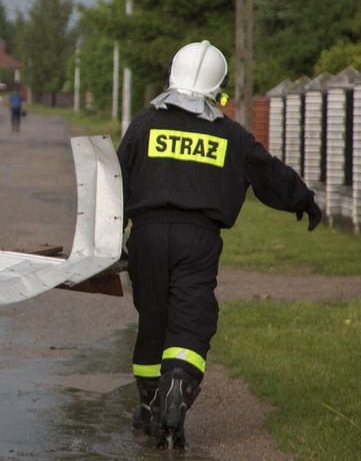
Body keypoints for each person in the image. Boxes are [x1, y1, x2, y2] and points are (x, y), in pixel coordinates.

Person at [117, 40, 321, 451]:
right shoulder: (231, 135)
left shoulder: (144, 124)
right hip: (199, 239)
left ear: (173, 76)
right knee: (191, 319)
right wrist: (303, 200)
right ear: (217, 88)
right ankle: (177, 394)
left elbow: (116, 182)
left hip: (148, 237)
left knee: (152, 322)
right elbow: (270, 174)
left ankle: (150, 405)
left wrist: (107, 242)